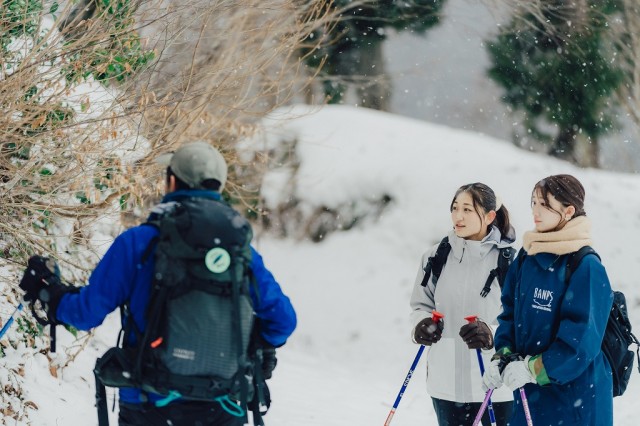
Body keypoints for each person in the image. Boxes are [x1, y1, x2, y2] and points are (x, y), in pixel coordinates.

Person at [18, 141, 297, 426]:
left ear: (172, 181)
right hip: (221, 408)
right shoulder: (241, 253)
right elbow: (283, 322)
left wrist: (51, 292)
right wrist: (253, 345)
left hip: (149, 405)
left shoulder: (139, 242)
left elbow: (87, 313)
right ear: (218, 188)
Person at [482, 174, 613, 425]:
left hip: (577, 398)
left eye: (545, 204)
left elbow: (580, 342)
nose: (536, 211)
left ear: (568, 211)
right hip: (531, 396)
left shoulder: (585, 266)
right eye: (533, 203)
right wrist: (504, 356)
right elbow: (509, 313)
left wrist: (533, 369)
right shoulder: (527, 256)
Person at [410, 182, 515, 426]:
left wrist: (491, 333)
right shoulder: (436, 256)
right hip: (445, 383)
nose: (458, 216)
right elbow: (420, 305)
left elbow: (520, 321)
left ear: (489, 216)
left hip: (495, 385)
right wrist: (421, 325)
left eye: (468, 209)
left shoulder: (510, 261)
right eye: (455, 208)